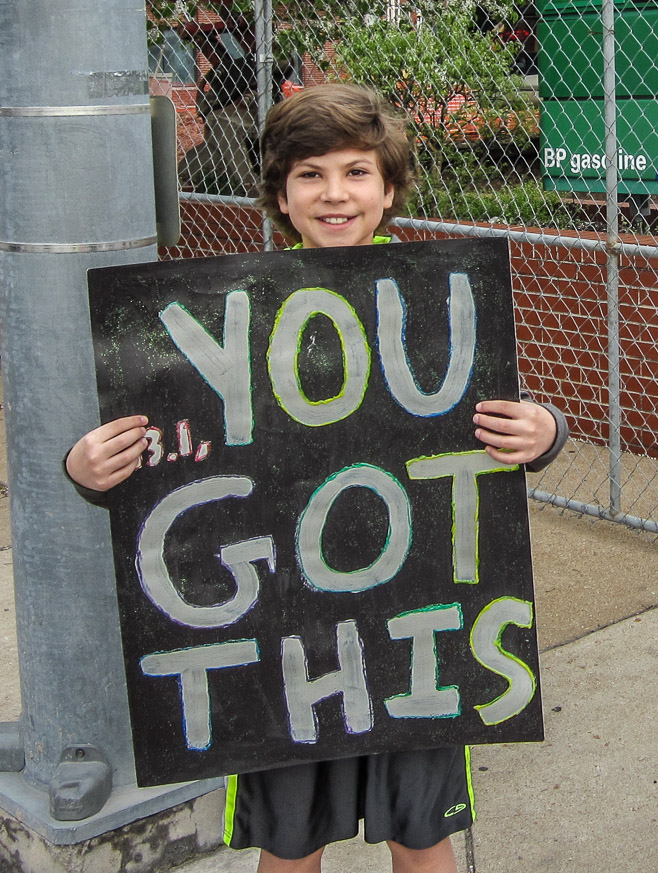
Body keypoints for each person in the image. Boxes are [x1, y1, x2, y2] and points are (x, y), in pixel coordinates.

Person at [66, 83, 568, 873]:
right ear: (281, 195)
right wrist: (87, 465)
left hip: (415, 638)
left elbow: (498, 416)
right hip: (283, 641)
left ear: (389, 188)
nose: (335, 193)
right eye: (311, 175)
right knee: (291, 845)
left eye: (357, 172)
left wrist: (543, 431)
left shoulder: (438, 295)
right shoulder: (222, 309)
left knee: (422, 838)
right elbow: (157, 451)